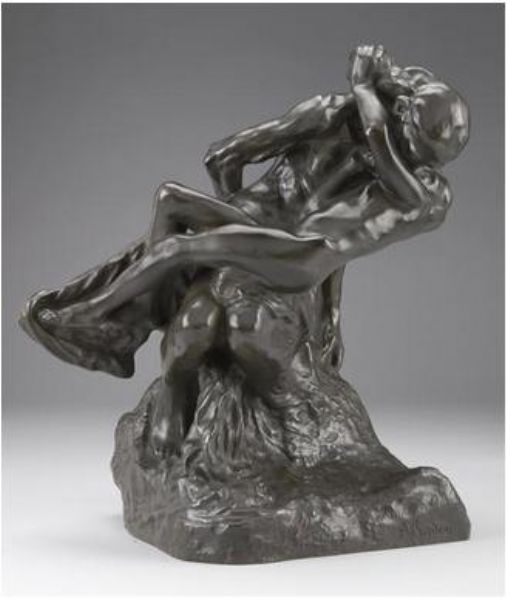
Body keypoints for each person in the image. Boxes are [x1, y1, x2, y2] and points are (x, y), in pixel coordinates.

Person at [23, 45, 470, 457]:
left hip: (295, 254)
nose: (416, 159)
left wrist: (363, 87)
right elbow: (328, 225)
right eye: (415, 143)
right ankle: (129, 327)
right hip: (279, 239)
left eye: (425, 154)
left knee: (179, 246)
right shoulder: (363, 150)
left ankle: (92, 316)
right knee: (170, 201)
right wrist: (239, 234)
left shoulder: (421, 194)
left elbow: (333, 239)